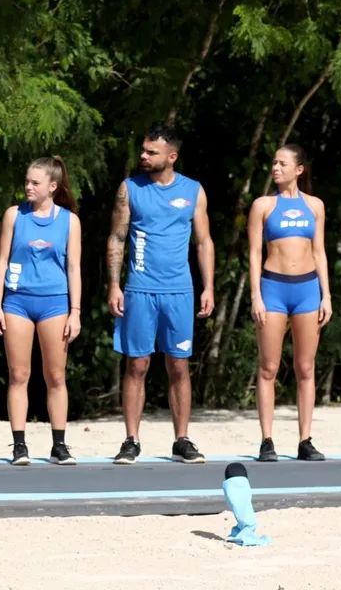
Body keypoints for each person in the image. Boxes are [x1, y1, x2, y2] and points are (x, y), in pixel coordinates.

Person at [107, 124, 215, 465]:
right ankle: (131, 440)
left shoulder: (193, 190)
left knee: (179, 366)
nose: (143, 155)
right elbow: (117, 238)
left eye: (151, 152)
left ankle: (182, 439)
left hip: (179, 291)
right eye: (143, 149)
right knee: (137, 364)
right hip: (139, 289)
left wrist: (209, 287)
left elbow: (204, 242)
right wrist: (114, 285)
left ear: (171, 156)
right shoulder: (129, 189)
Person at [0, 157, 83, 466]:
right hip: (17, 301)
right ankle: (19, 445)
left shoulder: (69, 221)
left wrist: (75, 311)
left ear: (52, 187)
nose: (28, 187)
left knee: (55, 376)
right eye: (27, 181)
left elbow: (73, 267)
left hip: (54, 303)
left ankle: (59, 445)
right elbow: (2, 262)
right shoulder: (14, 215)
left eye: (35, 183)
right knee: (19, 375)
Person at [247, 145, 332, 462]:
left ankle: (305, 440)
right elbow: (254, 253)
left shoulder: (315, 205)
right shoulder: (263, 205)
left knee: (305, 368)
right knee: (268, 367)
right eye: (273, 163)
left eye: (283, 163)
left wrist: (326, 294)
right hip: (274, 289)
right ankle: (267, 440)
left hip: (307, 290)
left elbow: (319, 251)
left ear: (299, 169)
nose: (276, 168)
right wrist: (256, 295)